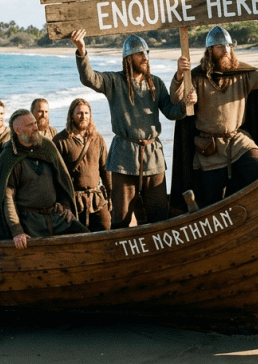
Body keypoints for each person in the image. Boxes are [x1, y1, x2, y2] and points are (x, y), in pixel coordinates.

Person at [170, 24, 258, 209]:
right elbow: (176, 98)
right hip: (209, 148)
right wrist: (180, 75)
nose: (226, 51)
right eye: (220, 47)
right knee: (212, 204)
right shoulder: (196, 77)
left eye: (229, 46)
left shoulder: (242, 75)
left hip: (238, 141)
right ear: (210, 50)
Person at [70, 29, 194, 227]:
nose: (145, 58)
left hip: (153, 157)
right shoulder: (114, 81)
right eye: (140, 54)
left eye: (146, 53)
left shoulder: (155, 83)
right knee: (122, 218)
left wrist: (185, 103)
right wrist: (81, 50)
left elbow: (171, 112)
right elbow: (89, 78)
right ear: (128, 58)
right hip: (124, 158)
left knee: (159, 215)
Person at [0, 109, 88, 245]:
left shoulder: (47, 147)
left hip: (55, 217)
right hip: (29, 222)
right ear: (17, 130)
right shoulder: (9, 157)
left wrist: (65, 205)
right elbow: (8, 198)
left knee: (86, 236)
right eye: (29, 125)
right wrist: (17, 230)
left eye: (35, 123)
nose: (35, 127)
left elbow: (62, 180)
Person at [54, 98, 113, 232]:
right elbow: (54, 175)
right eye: (79, 113)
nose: (83, 117)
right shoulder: (61, 140)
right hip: (72, 200)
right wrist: (60, 202)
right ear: (72, 115)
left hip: (96, 198)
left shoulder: (97, 138)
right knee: (77, 236)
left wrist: (110, 195)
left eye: (86, 113)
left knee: (106, 229)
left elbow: (106, 169)